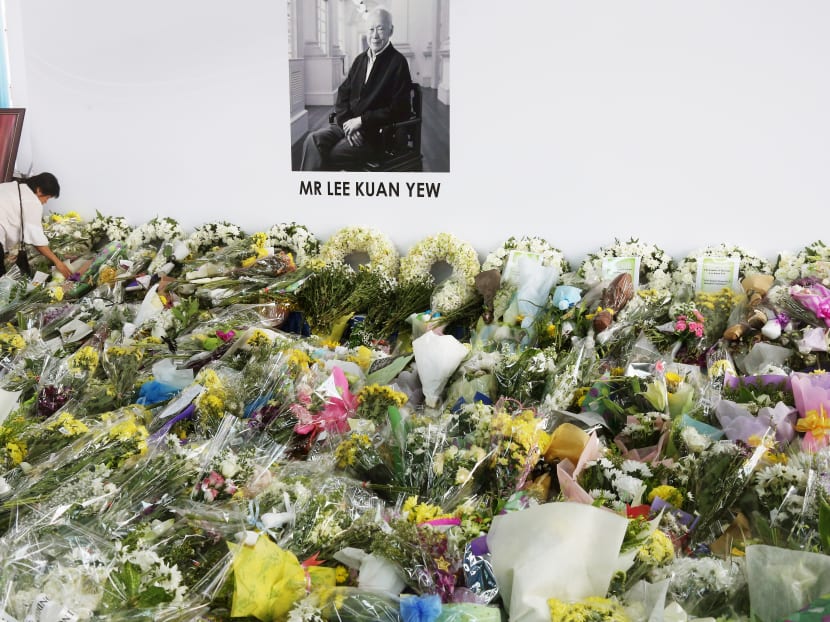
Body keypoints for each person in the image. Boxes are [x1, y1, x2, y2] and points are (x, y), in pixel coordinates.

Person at [300, 7, 412, 171]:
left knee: (330, 155)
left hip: (376, 135)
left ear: (391, 30)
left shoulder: (398, 63)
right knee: (313, 140)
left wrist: (361, 121)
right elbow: (343, 94)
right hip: (347, 126)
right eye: (371, 29)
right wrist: (347, 124)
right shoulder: (360, 60)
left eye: (380, 29)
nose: (374, 35)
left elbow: (400, 109)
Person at [0, 172, 72, 278]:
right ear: (38, 190)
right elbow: (37, 241)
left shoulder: (11, 186)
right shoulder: (32, 201)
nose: (45, 202)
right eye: (47, 198)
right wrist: (58, 263)